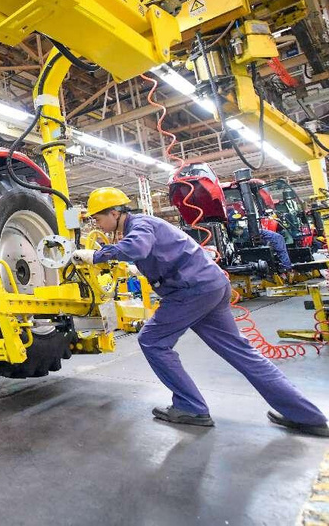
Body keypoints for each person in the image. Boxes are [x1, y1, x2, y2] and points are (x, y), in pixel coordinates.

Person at [72, 187, 328, 436]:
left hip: (190, 291)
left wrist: (95, 256)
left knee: (152, 340)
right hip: (211, 286)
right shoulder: (145, 226)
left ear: (115, 213)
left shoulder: (139, 226)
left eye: (98, 218)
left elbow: (136, 248)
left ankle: (190, 407)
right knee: (241, 352)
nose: (97, 225)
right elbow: (152, 254)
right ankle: (306, 415)